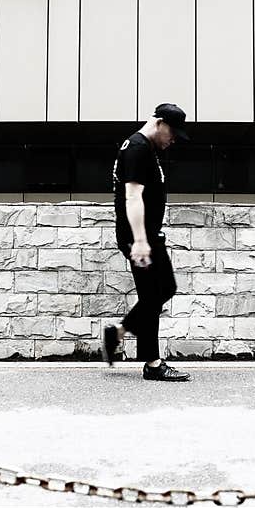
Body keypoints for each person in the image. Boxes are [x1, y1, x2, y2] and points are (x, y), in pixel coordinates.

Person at [103, 103, 191, 382]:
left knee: (165, 288)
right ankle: (153, 364)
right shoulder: (138, 148)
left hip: (149, 235)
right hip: (138, 237)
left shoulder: (144, 148)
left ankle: (118, 333)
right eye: (172, 132)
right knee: (152, 296)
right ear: (159, 123)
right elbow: (132, 197)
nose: (173, 139)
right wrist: (139, 241)